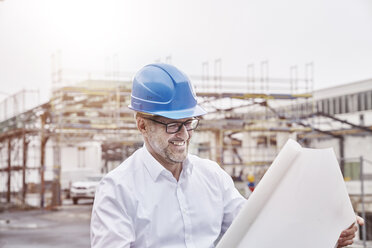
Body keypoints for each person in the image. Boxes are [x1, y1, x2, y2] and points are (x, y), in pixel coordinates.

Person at [91, 63, 363, 248]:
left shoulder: (212, 176)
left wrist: (326, 233)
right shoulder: (118, 189)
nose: (184, 135)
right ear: (142, 124)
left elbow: (258, 231)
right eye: (172, 125)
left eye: (189, 123)